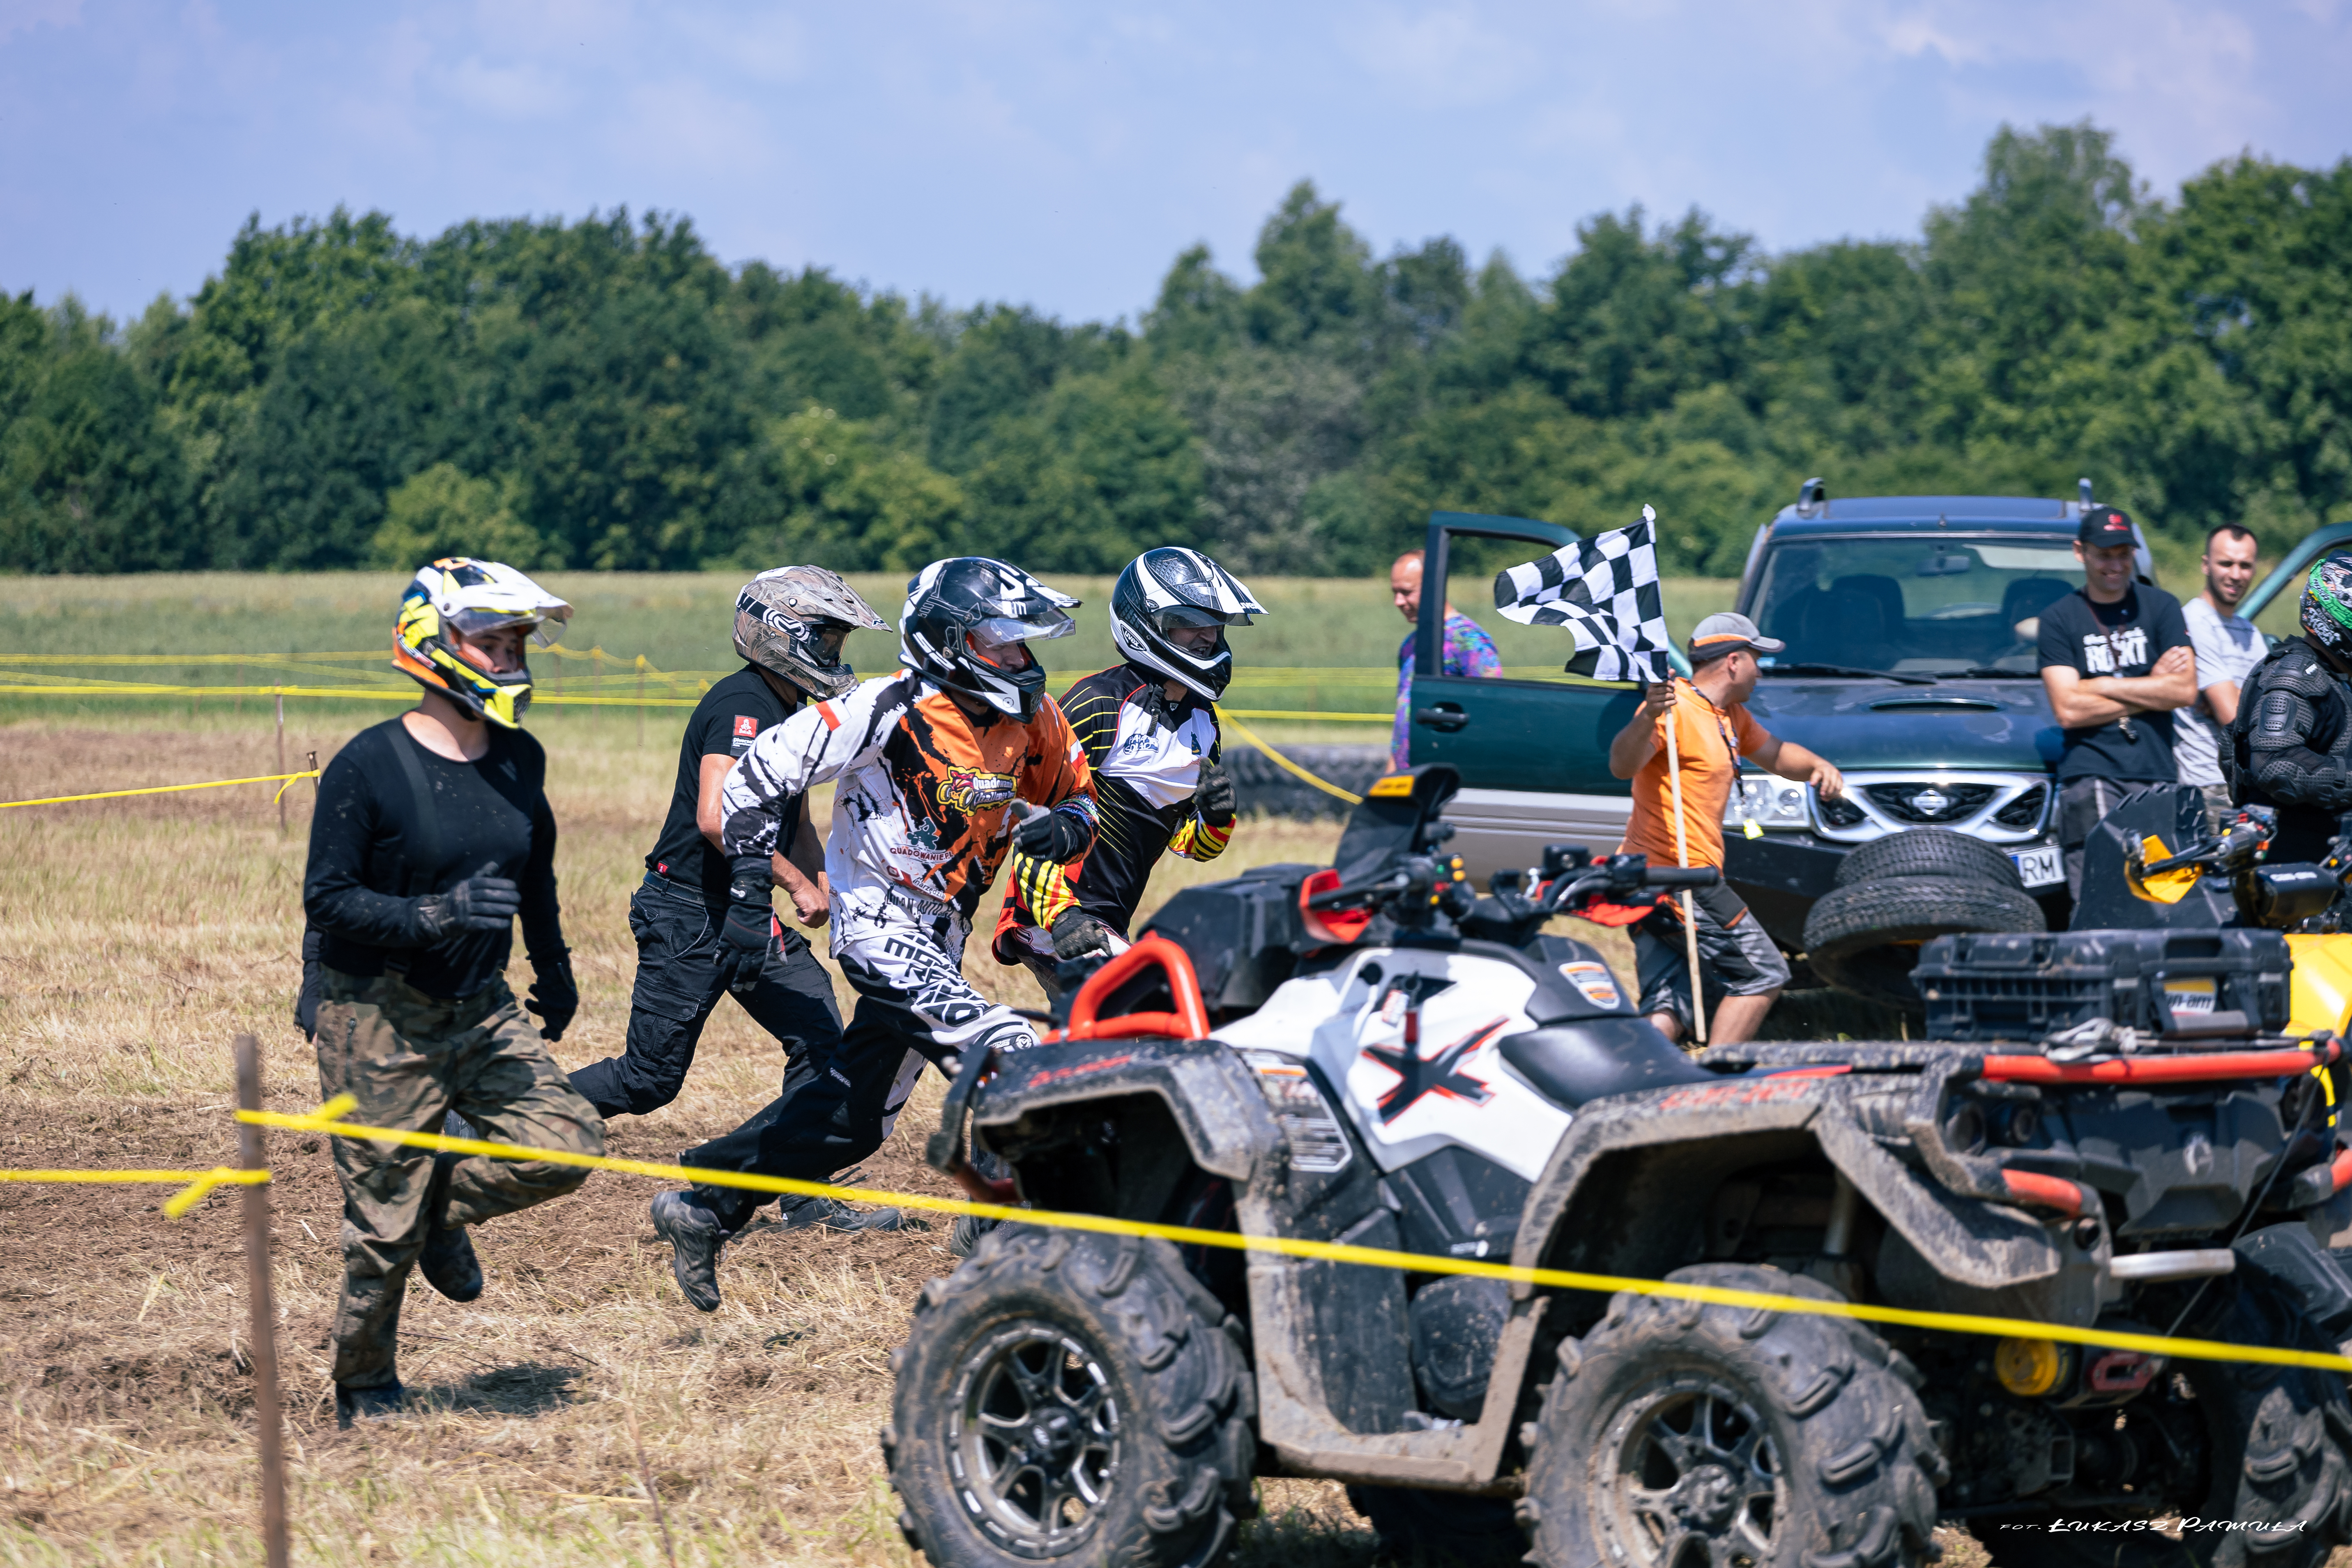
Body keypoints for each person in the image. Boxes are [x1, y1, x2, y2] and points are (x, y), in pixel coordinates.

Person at [644, 557, 1097, 1312]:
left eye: (1025, 643)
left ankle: (707, 1205)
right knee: (1004, 1053)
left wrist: (1060, 828)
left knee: (856, 1120)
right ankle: (1023, 1258)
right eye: (1003, 642)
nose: (1022, 658)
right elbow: (754, 781)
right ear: (951, 641)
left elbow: (1080, 803)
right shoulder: (884, 707)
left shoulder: (1036, 717)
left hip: (944, 933)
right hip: (879, 927)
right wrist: (756, 888)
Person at [302, 557, 605, 1426]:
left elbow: (533, 873)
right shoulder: (368, 764)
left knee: (568, 1143)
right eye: (493, 638)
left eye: (518, 640)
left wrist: (553, 965)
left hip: (483, 1007)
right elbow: (328, 900)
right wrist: (436, 912)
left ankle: (435, 1207)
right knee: (378, 1233)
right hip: (377, 1017)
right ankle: (364, 1386)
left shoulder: (520, 758)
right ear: (434, 642)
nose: (511, 654)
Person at [566, 566, 904, 1233]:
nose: (836, 657)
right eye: (827, 641)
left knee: (822, 1041)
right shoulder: (740, 705)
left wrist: (828, 887)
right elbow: (719, 818)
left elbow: (795, 819)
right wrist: (797, 884)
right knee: (648, 1078)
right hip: (688, 909)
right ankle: (484, 1118)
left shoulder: (790, 711)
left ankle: (803, 1194)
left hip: (740, 910)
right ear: (781, 635)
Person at [993, 546, 1261, 998]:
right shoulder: (1097, 701)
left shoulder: (1203, 721)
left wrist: (1216, 819)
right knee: (1154, 1013)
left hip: (1106, 920)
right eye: (1189, 621)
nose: (1207, 637)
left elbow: (1187, 846)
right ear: (1147, 623)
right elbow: (1032, 816)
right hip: (1053, 914)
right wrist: (1063, 916)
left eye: (1213, 624)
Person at [1606, 613, 1846, 1047]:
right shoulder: (1671, 707)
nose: (1761, 669)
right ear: (1733, 661)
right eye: (1756, 658)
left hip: (1664, 877)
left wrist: (1816, 765)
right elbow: (1622, 765)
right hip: (1675, 876)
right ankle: (1718, 1076)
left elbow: (1775, 754)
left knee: (1669, 1003)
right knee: (1763, 974)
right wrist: (1646, 718)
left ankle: (1634, 1076)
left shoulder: (1728, 715)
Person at [2037, 506, 2196, 897]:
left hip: (2157, 773)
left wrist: (2097, 686)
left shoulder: (2162, 607)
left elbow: (2184, 691)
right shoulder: (2060, 618)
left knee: (2163, 896)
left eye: (2124, 554)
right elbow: (2069, 710)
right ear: (2081, 552)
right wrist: (2151, 686)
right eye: (2104, 554)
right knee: (2104, 894)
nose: (2116, 564)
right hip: (2092, 773)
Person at [2226, 554, 2352, 865]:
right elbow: (2275, 765)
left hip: (2324, 860)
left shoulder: (2333, 677)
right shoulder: (2296, 674)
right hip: (2291, 865)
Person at [2174, 524, 2264, 833]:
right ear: (2205, 565)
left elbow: (2272, 704)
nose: (2236, 575)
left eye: (2245, 565)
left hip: (2245, 785)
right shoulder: (2194, 622)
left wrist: (2231, 698)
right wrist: (2237, 702)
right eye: (2226, 563)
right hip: (2207, 786)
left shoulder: (2248, 632)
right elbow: (2233, 717)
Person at [1391, 548, 1501, 770]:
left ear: (1433, 586)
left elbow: (1491, 715)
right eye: (1394, 592)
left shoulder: (1468, 641)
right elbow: (1404, 722)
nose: (1398, 602)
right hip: (1407, 777)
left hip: (1444, 778)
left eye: (1406, 592)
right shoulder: (1410, 646)